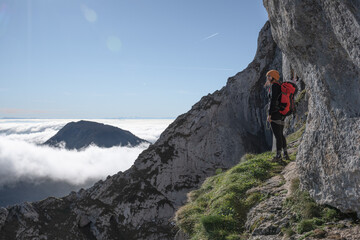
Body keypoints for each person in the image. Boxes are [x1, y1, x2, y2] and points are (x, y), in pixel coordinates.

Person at [265, 70, 290, 162]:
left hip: (275, 113)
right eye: (267, 76)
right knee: (280, 134)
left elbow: (272, 101)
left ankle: (278, 156)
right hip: (281, 113)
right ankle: (285, 154)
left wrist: (270, 114)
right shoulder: (279, 85)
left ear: (274, 77)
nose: (268, 78)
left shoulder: (274, 86)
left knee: (277, 135)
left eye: (269, 76)